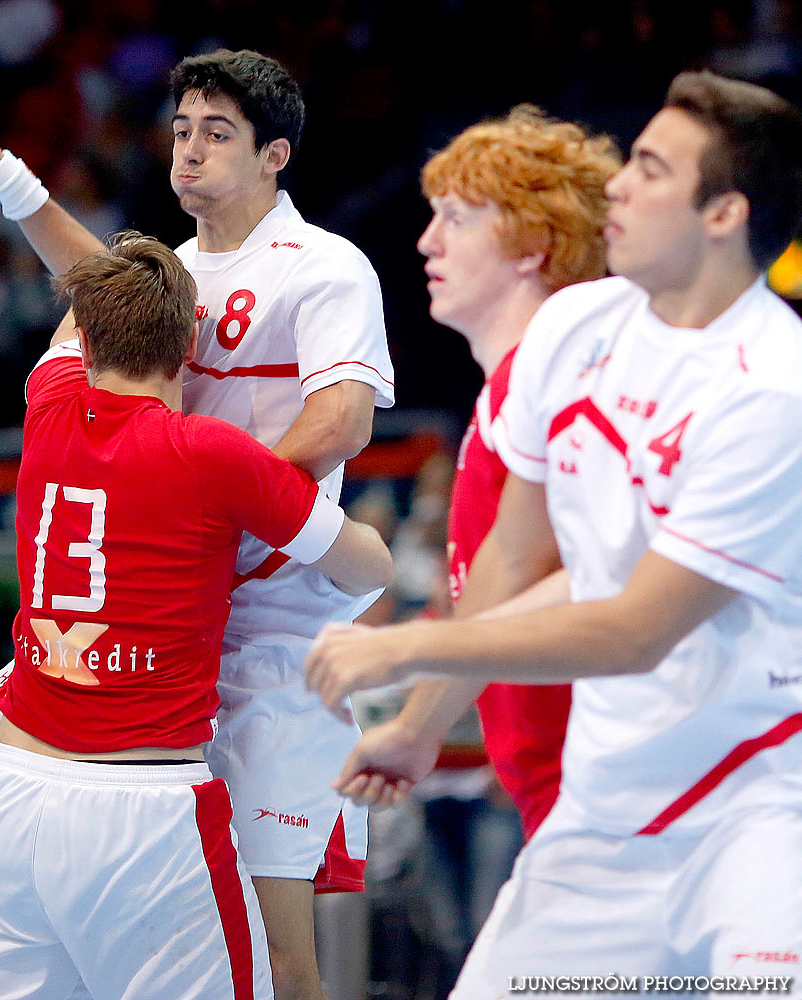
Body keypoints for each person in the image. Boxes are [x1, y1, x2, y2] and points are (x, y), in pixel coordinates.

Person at [0, 48, 394, 998]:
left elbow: (342, 422)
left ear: (274, 156)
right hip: (146, 615)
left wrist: (206, 505)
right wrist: (0, 169)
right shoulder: (168, 273)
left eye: (218, 134)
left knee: (271, 941)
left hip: (262, 639)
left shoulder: (324, 266)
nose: (190, 151)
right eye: (181, 130)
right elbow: (97, 285)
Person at [305, 71, 802, 990]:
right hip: (600, 813)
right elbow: (512, 553)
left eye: (650, 170)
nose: (619, 184)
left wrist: (406, 654)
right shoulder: (575, 329)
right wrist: (420, 728)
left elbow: (633, 627)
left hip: (757, 813)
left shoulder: (771, 390)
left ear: (724, 213)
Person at [334, 107, 620, 846]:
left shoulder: (565, 378)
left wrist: (410, 693)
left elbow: (549, 573)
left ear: (529, 246)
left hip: (606, 796)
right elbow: (498, 585)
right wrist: (414, 717)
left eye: (455, 218)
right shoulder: (510, 392)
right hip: (566, 794)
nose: (427, 241)